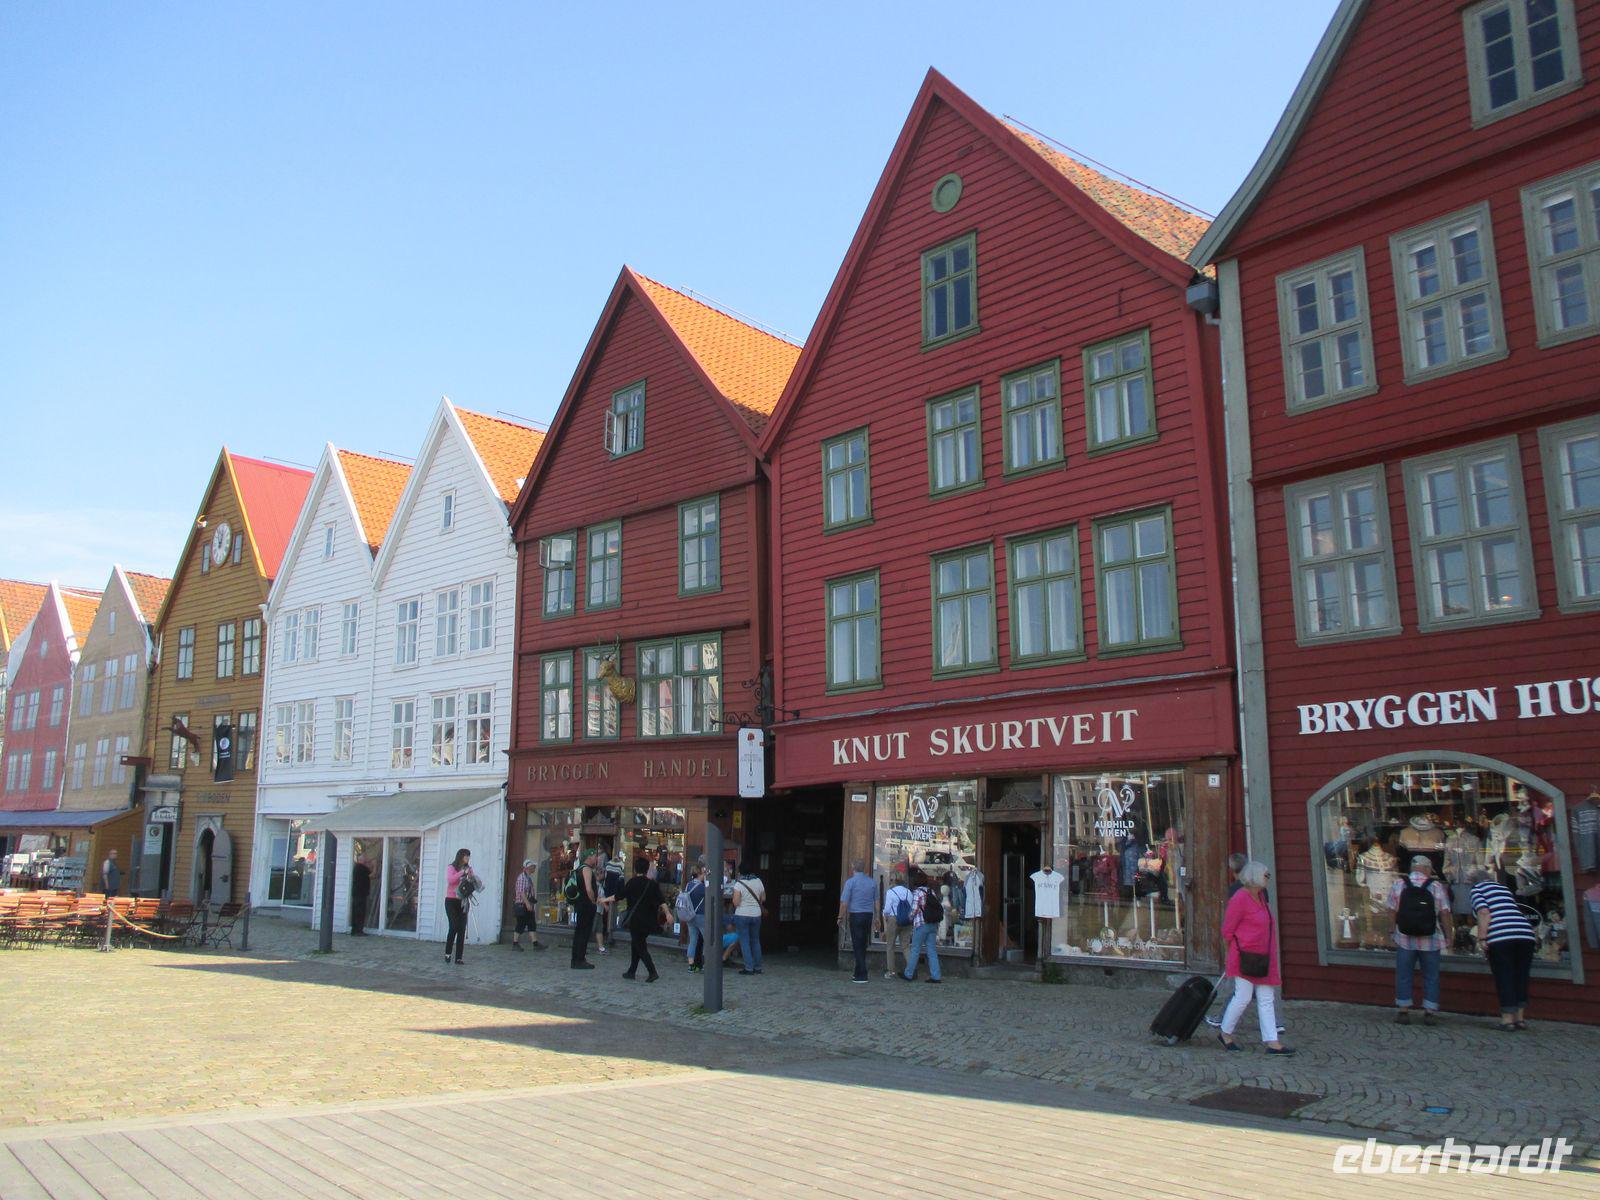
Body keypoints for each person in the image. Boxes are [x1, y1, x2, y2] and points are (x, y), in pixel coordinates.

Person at [1218, 861, 1293, 1054]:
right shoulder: (1240, 899)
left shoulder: (1261, 897)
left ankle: (1272, 1041)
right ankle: (1225, 1032)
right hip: (1245, 956)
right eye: (1265, 875)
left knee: (1266, 998)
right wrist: (1230, 952)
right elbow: (1228, 930)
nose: (1268, 878)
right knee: (1242, 997)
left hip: (1264, 956)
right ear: (1254, 877)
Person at [1469, 866, 1536, 1031]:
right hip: (1525, 933)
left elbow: (1484, 913)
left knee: (1504, 975)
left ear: (1473, 881)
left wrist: (1482, 938)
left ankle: (1507, 1020)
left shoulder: (1477, 889)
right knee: (1521, 975)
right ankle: (1520, 1018)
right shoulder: (1504, 888)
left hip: (1501, 936)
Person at [1388, 855, 1452, 1024]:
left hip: (1404, 937)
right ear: (1427, 869)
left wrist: (1391, 931)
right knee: (1431, 975)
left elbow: (1392, 910)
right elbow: (1445, 913)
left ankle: (1403, 1010)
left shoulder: (1399, 884)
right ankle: (1429, 1011)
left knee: (1404, 974)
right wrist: (1449, 936)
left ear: (1412, 868)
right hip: (1431, 939)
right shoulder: (1436, 886)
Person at [619, 856, 671, 982]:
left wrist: (605, 899)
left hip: (635, 920)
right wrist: (668, 914)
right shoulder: (652, 884)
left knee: (640, 946)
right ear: (647, 869)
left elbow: (619, 895)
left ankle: (652, 971)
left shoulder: (632, 882)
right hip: (649, 920)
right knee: (636, 944)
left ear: (635, 869)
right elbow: (661, 901)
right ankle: (631, 971)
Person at [837, 859, 878, 984]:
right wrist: (877, 917)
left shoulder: (850, 882)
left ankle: (862, 974)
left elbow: (844, 903)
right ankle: (857, 972)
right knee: (863, 943)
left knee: (857, 944)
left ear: (853, 867)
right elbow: (877, 901)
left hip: (855, 915)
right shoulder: (872, 882)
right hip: (868, 915)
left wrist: (840, 916)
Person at [731, 862, 765, 975]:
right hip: (756, 914)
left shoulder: (739, 884)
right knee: (755, 940)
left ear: (740, 872)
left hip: (742, 914)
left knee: (744, 941)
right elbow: (763, 898)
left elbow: (736, 902)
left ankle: (749, 968)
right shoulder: (758, 881)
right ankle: (758, 967)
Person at [570, 849, 601, 969]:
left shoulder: (579, 868)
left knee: (579, 932)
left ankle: (576, 959)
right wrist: (593, 901)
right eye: (595, 856)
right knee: (583, 933)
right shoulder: (586, 869)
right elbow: (588, 889)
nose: (596, 859)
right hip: (586, 905)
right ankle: (579, 959)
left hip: (580, 904)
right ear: (589, 857)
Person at [443, 848, 475, 965]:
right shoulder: (451, 867)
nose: (467, 858)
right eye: (466, 856)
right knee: (453, 926)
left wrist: (471, 877)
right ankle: (448, 953)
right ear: (460, 857)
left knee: (462, 928)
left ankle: (459, 957)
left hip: (463, 900)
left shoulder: (469, 869)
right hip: (451, 900)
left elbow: (471, 882)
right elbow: (451, 880)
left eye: (468, 856)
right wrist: (462, 872)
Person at [881, 871, 914, 980]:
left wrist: (884, 916)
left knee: (890, 946)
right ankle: (911, 969)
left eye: (890, 880)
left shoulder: (891, 892)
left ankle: (891, 971)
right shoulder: (909, 892)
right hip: (907, 920)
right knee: (905, 946)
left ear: (894, 881)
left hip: (893, 919)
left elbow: (887, 909)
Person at [510, 859, 544, 951]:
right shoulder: (522, 878)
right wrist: (528, 904)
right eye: (533, 866)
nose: (534, 868)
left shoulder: (527, 877)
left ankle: (535, 944)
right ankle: (515, 943)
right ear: (528, 868)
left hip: (527, 904)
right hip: (523, 904)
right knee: (521, 924)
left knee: (531, 924)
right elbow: (522, 892)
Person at [684, 864, 709, 972]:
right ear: (700, 873)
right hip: (701, 915)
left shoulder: (688, 885)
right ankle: (706, 963)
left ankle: (691, 965)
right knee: (707, 940)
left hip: (690, 916)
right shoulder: (703, 887)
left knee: (693, 940)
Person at [349, 853, 371, 936]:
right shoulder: (361, 868)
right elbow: (372, 874)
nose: (366, 859)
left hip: (357, 893)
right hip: (360, 893)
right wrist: (375, 865)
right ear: (361, 859)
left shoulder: (356, 867)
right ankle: (358, 931)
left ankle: (354, 930)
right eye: (364, 858)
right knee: (360, 912)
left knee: (356, 912)